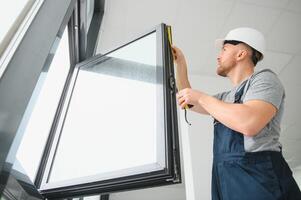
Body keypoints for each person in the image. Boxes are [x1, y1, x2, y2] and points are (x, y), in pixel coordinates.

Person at [172, 27, 301, 200]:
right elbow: (188, 101)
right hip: (225, 179)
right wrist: (180, 63)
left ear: (241, 54)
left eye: (224, 50)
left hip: (260, 178)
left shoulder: (265, 80)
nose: (218, 56)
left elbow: (249, 122)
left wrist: (202, 98)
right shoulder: (224, 98)